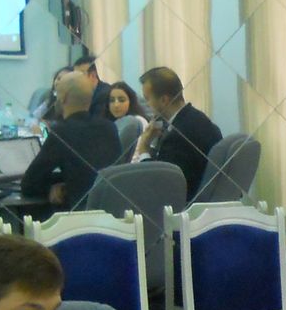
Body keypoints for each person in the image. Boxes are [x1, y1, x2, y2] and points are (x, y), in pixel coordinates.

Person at [20, 69, 122, 208]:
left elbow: (29, 183)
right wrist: (65, 183)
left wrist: (51, 187)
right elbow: (91, 174)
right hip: (111, 210)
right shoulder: (110, 128)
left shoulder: (62, 132)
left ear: (63, 98)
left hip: (78, 214)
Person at [130, 65, 222, 198]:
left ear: (164, 100)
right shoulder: (197, 118)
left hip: (184, 204)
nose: (146, 105)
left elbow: (159, 185)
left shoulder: (178, 137)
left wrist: (144, 149)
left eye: (147, 99)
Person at [75, 53, 115, 120]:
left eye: (79, 75)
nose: (75, 79)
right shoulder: (79, 94)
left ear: (93, 75)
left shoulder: (105, 94)